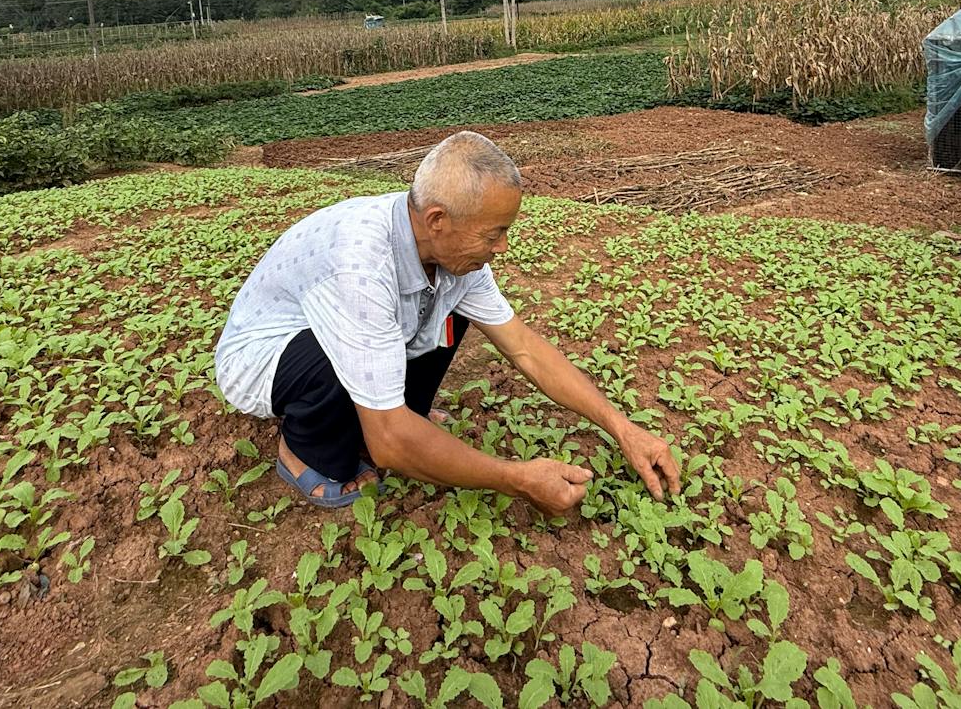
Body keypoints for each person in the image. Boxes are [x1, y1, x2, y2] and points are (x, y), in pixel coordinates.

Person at [212, 131, 681, 513]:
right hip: (267, 357)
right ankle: (303, 452)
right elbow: (392, 445)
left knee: (448, 314)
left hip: (356, 336)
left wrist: (623, 429)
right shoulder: (360, 263)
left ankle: (394, 413)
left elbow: (522, 347)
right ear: (438, 219)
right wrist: (516, 479)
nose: (502, 248)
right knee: (365, 406)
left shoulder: (454, 256)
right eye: (494, 233)